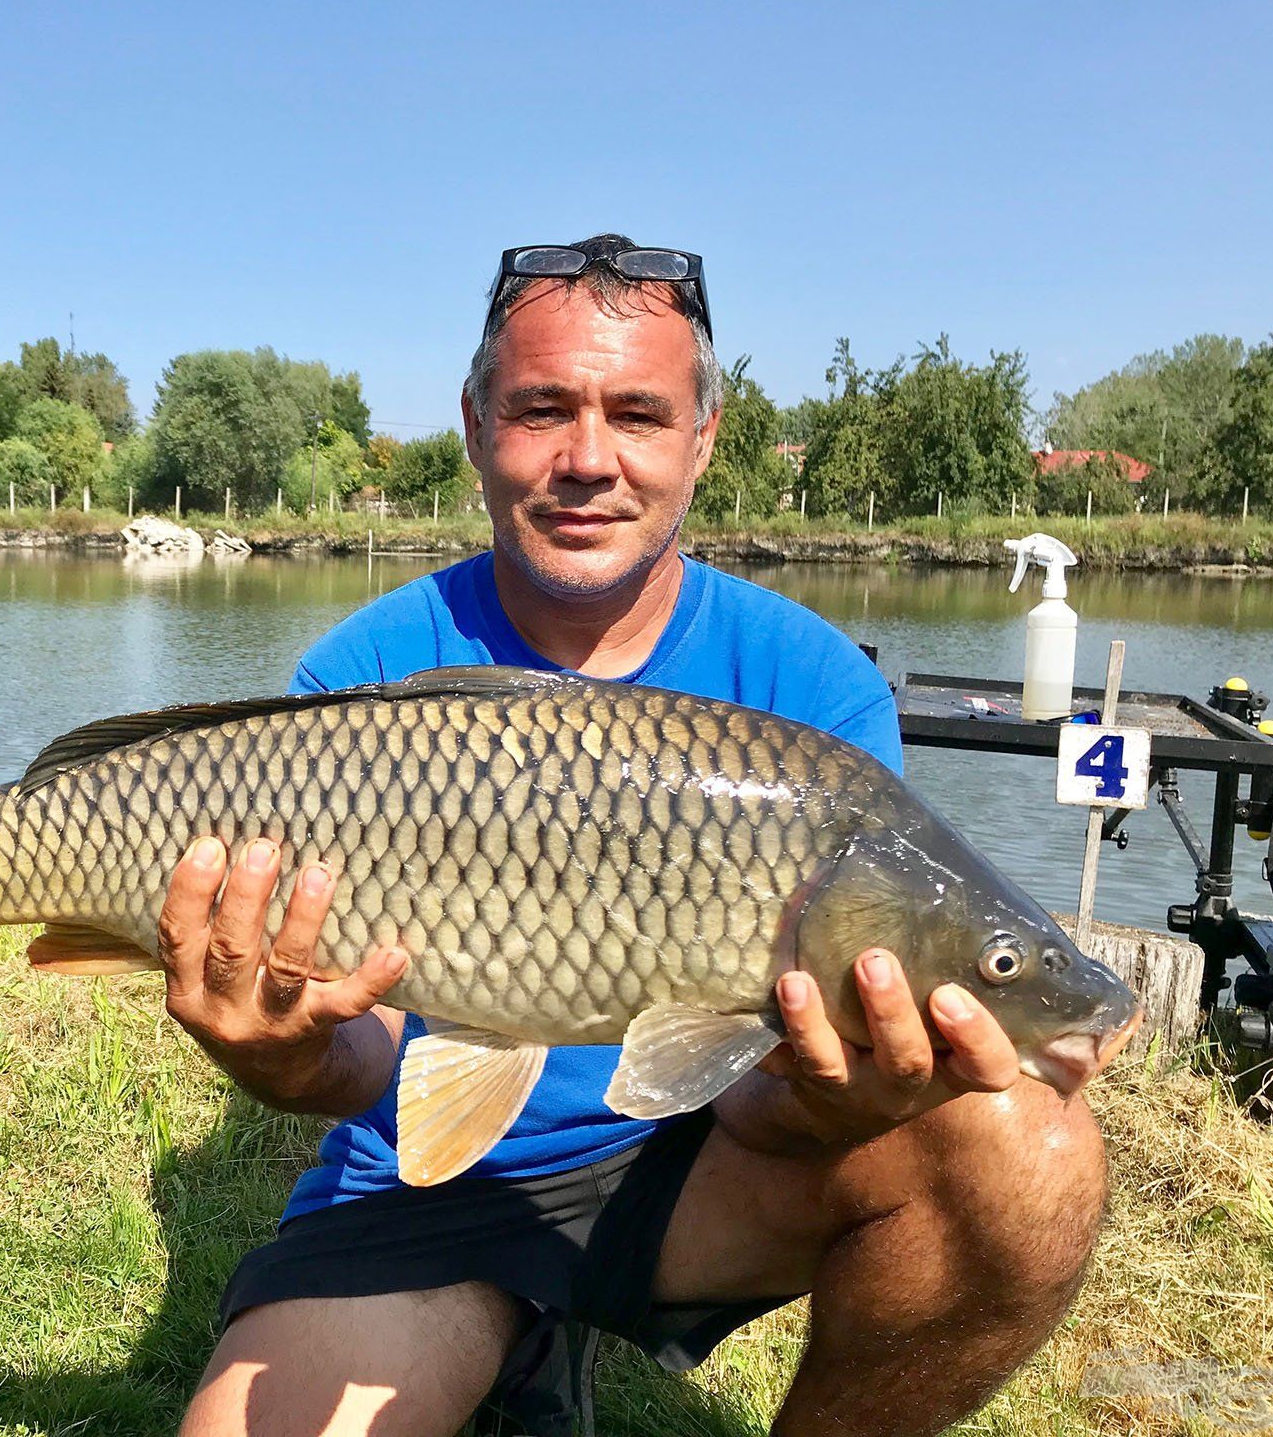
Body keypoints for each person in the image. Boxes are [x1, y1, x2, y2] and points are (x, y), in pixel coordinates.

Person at [157, 235, 1109, 1437]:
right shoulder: (365, 673)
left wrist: (840, 1091)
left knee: (1035, 1155)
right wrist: (278, 1053)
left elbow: (758, 1113)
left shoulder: (812, 694)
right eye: (542, 408)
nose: (588, 460)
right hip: (425, 1179)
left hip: (690, 1173)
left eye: (639, 414)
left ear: (702, 439)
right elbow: (359, 1065)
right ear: (475, 424)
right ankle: (512, 1331)